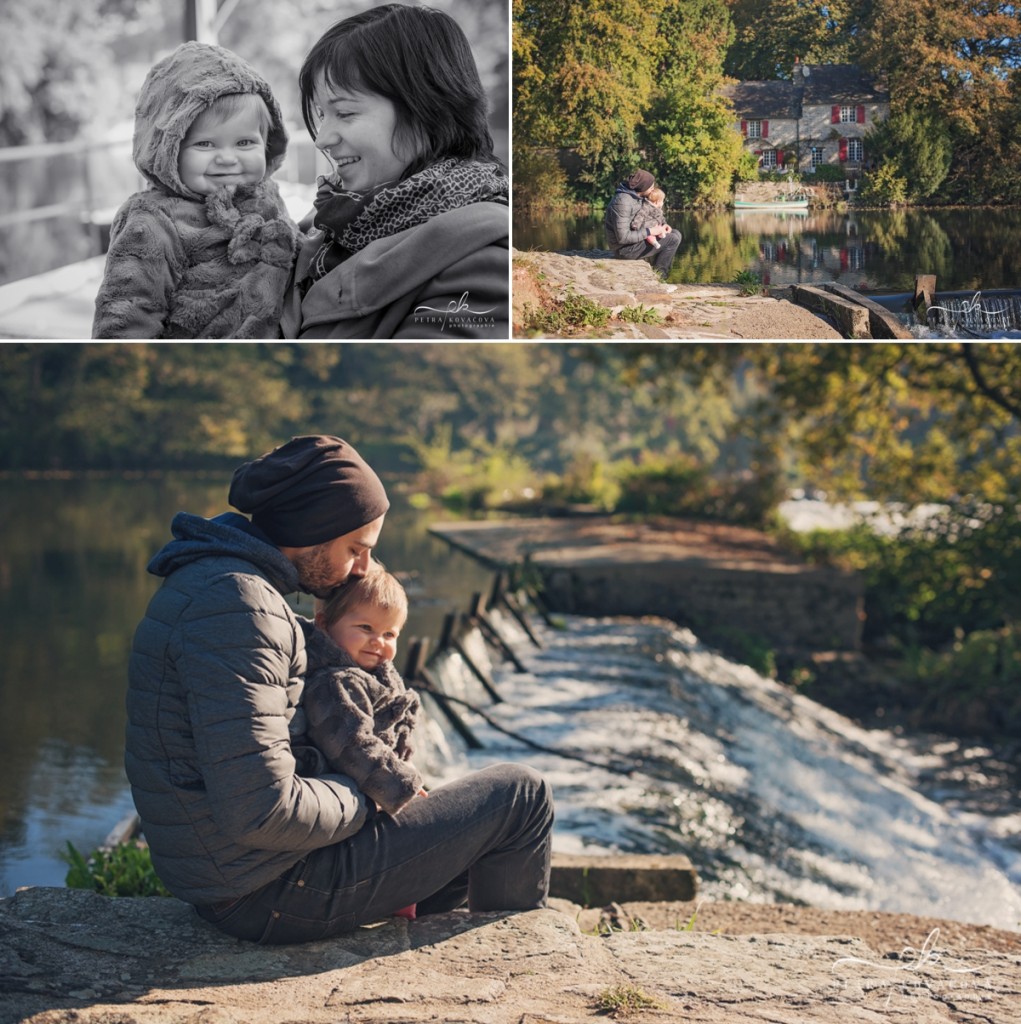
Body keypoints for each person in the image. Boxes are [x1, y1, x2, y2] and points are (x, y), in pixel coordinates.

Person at [126, 434, 553, 944]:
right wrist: (374, 795)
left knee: (469, 836)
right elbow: (263, 811)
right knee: (522, 795)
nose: (364, 568)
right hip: (268, 889)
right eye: (356, 549)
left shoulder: (216, 583)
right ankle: (514, 964)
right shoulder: (240, 607)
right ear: (313, 530)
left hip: (240, 873)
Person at [279, 3, 509, 339]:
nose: (323, 139)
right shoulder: (330, 222)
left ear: (426, 111)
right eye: (321, 115)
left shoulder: (480, 260)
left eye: (344, 113)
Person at [92, 42, 299, 339]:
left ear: (266, 145)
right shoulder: (153, 222)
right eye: (205, 144)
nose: (228, 158)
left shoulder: (267, 198)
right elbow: (127, 315)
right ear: (170, 150)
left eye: (244, 143)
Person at [302, 566, 423, 817]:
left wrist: (404, 757)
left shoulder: (377, 674)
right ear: (324, 624)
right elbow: (353, 747)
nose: (378, 641)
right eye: (366, 628)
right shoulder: (334, 683)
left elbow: (400, 722)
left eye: (389, 634)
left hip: (380, 790)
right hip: (352, 805)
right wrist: (400, 785)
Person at [604, 169, 681, 279]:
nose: (653, 189)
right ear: (643, 187)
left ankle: (658, 274)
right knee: (673, 239)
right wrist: (651, 231)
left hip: (635, 241)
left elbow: (652, 212)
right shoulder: (622, 203)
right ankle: (661, 277)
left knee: (676, 233)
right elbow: (623, 238)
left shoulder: (639, 196)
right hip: (624, 249)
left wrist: (664, 225)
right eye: (651, 187)